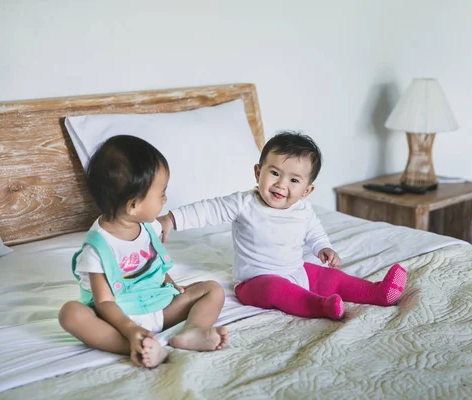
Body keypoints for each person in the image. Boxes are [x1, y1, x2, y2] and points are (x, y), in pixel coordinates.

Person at [158, 131, 406, 320]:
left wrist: (323, 247)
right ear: (258, 173)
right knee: (277, 290)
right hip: (255, 282)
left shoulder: (303, 209)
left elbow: (314, 230)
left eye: (294, 179)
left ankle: (377, 293)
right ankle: (319, 306)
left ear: (307, 190)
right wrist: (170, 219)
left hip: (295, 270)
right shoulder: (244, 203)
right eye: (274, 173)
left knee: (331, 277)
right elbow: (208, 210)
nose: (281, 184)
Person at [58, 135, 227, 369]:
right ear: (133, 205)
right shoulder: (96, 248)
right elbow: (104, 302)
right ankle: (136, 346)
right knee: (70, 313)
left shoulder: (150, 227)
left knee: (212, 289)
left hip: (160, 306)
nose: (165, 198)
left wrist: (172, 285)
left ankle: (192, 331)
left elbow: (155, 266)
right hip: (120, 318)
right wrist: (131, 329)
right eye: (161, 194)